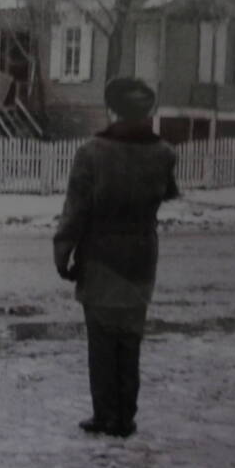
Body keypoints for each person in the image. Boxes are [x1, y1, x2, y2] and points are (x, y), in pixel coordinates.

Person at [53, 78, 179, 438]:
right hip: (141, 256)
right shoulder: (164, 153)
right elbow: (166, 193)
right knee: (130, 336)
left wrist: (63, 253)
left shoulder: (91, 152)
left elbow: (75, 212)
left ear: (112, 110)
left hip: (101, 256)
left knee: (102, 339)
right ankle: (126, 417)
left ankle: (105, 414)